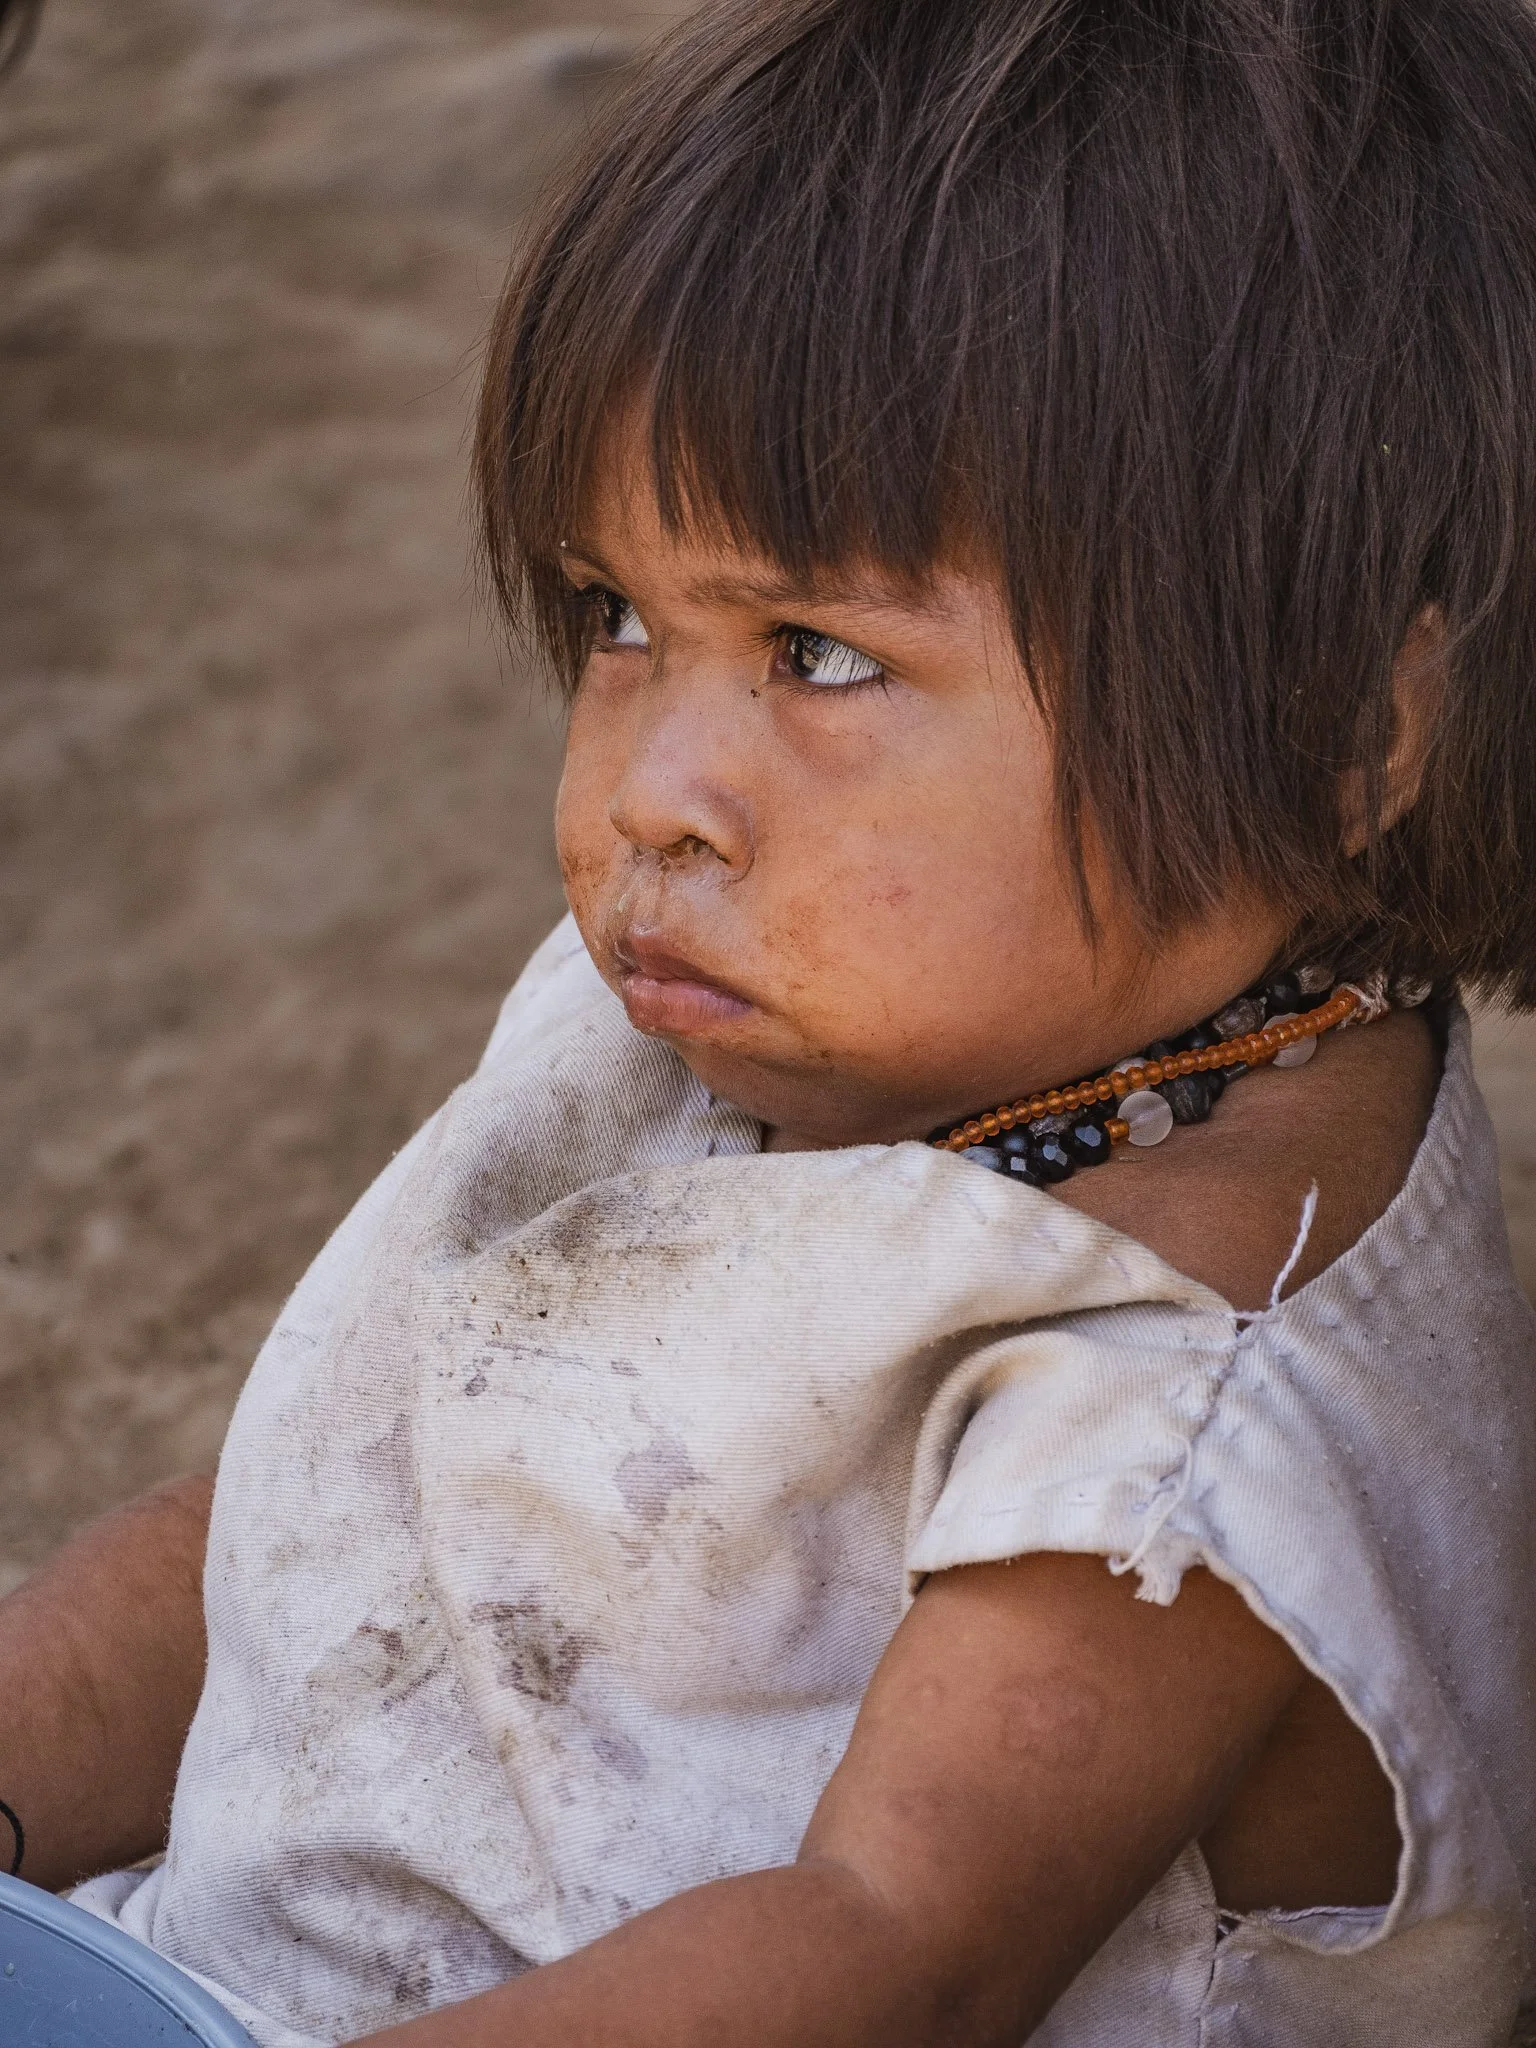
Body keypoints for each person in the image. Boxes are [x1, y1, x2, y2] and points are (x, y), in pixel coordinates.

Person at [5, 0, 1536, 2041]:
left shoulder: (1169, 1416)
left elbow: (892, 1951)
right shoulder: (786, 996)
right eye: (619, 621)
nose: (650, 789)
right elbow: (303, 1524)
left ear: (1344, 730)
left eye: (818, 652)